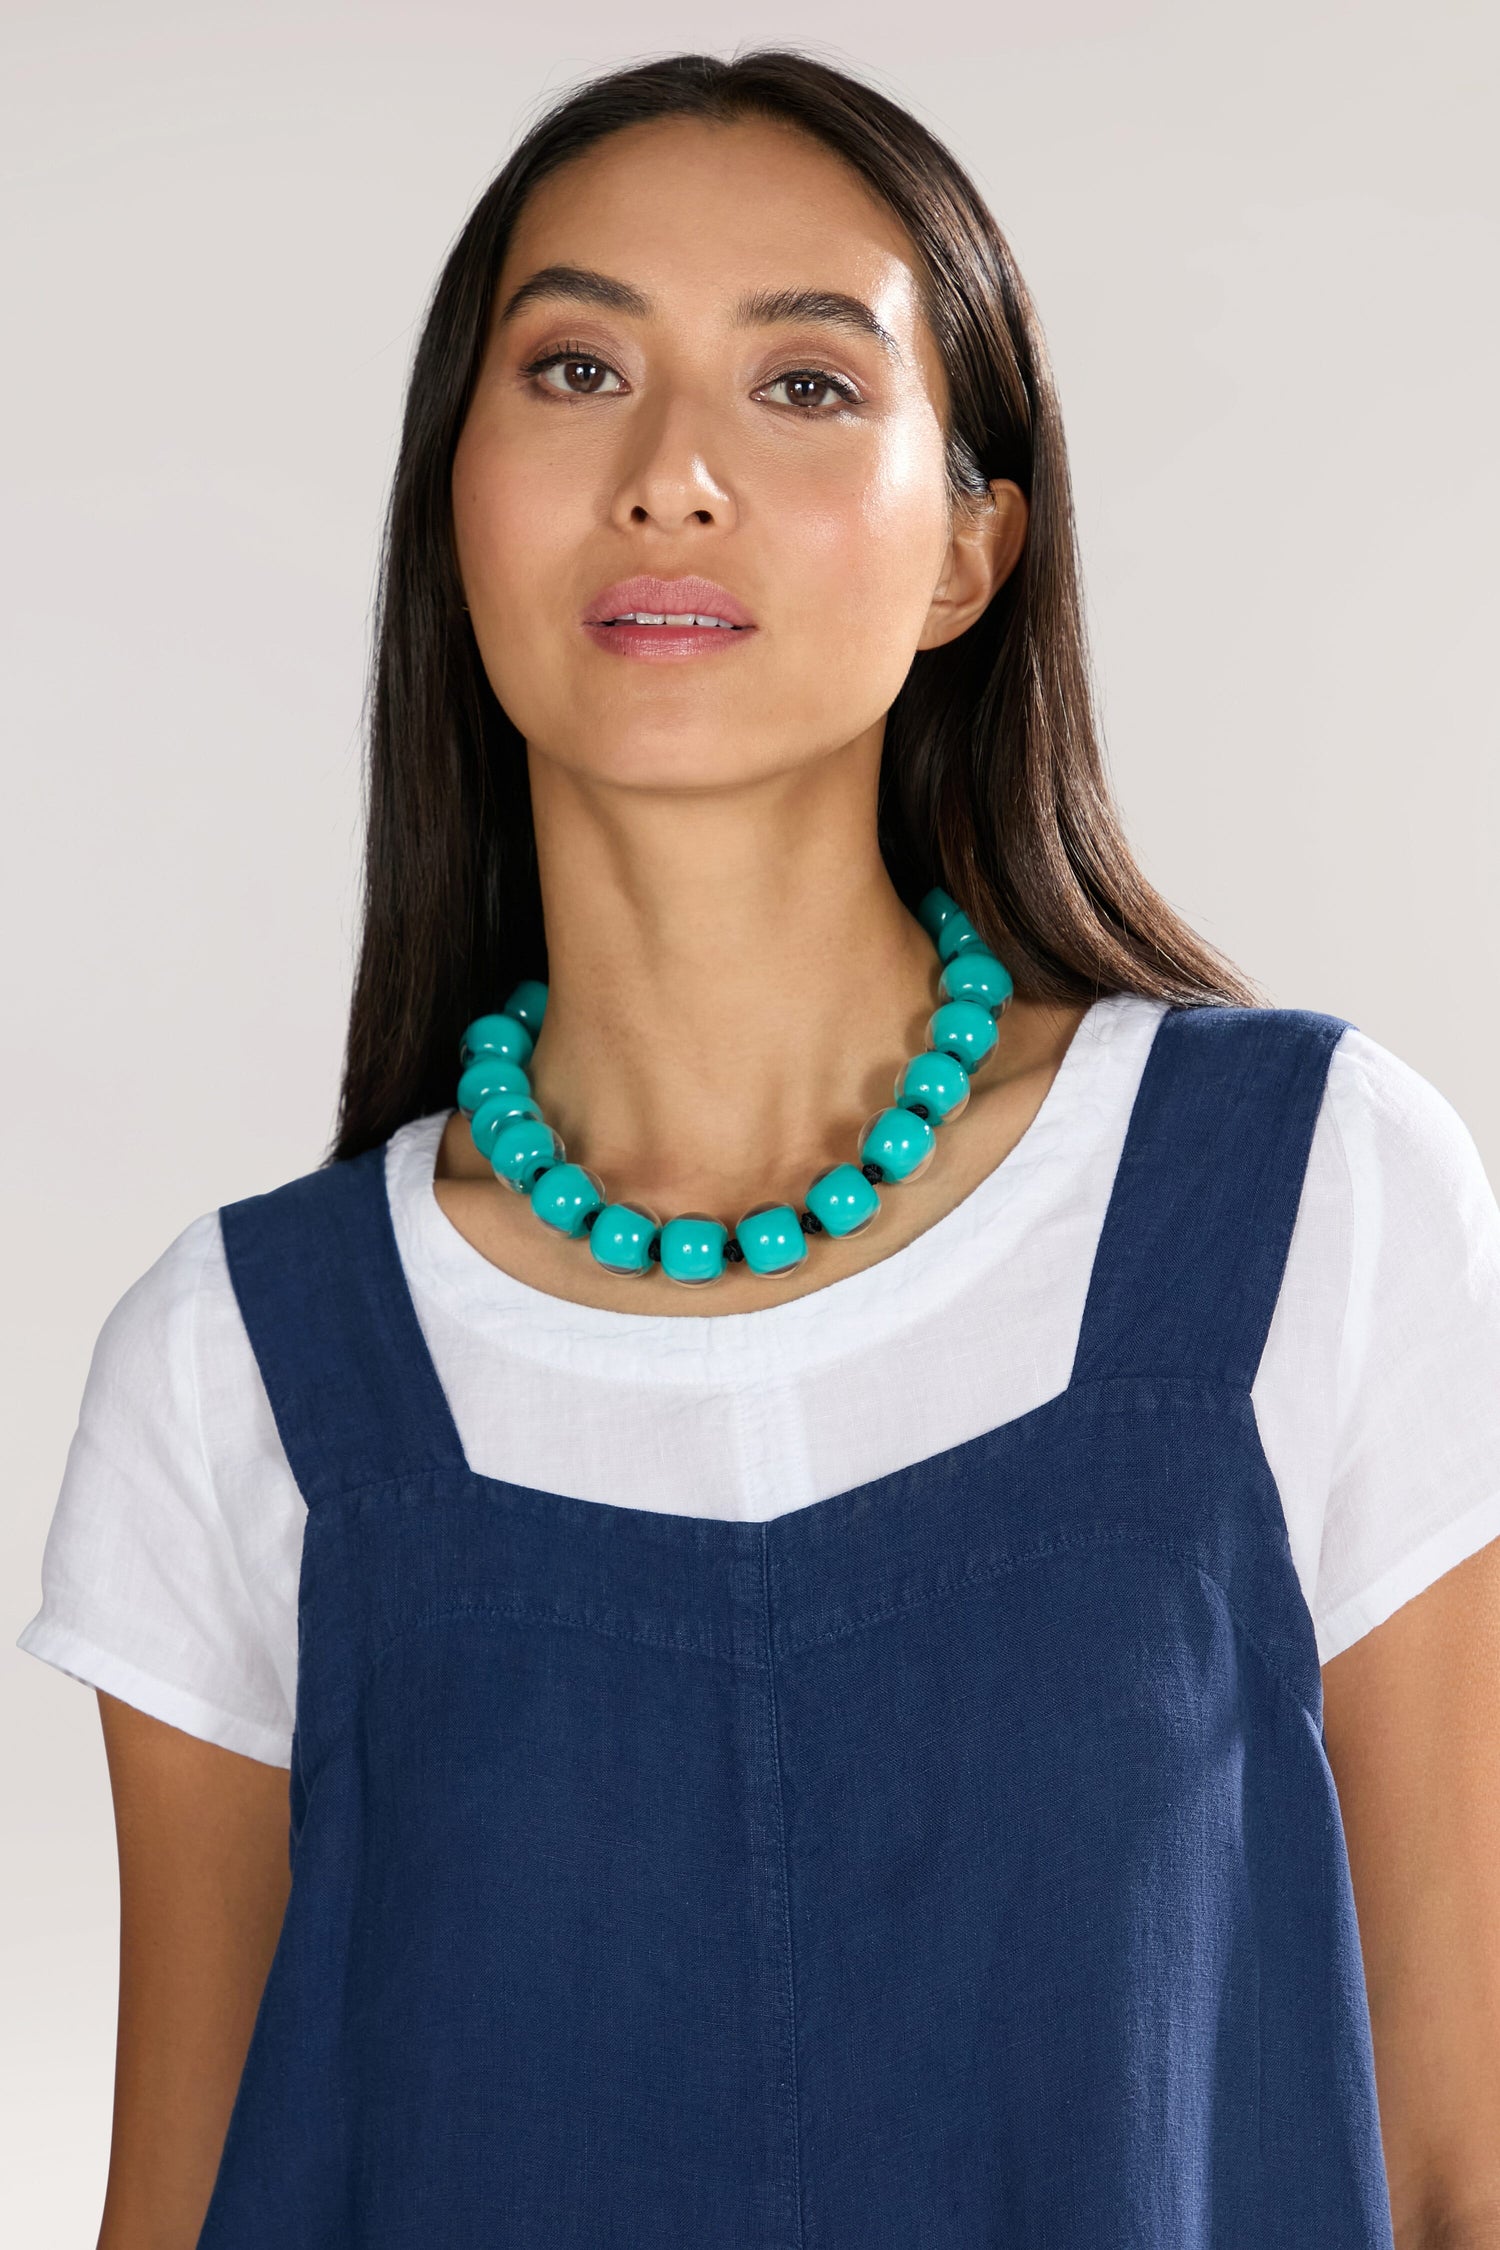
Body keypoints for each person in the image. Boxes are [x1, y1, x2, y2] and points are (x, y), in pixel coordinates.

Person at [17, 47, 1500, 2250]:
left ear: (972, 546)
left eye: (807, 387)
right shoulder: (241, 1367)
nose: (673, 475)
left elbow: (1463, 2161)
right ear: (458, 496)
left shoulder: (1308, 1203)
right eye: (579, 364)